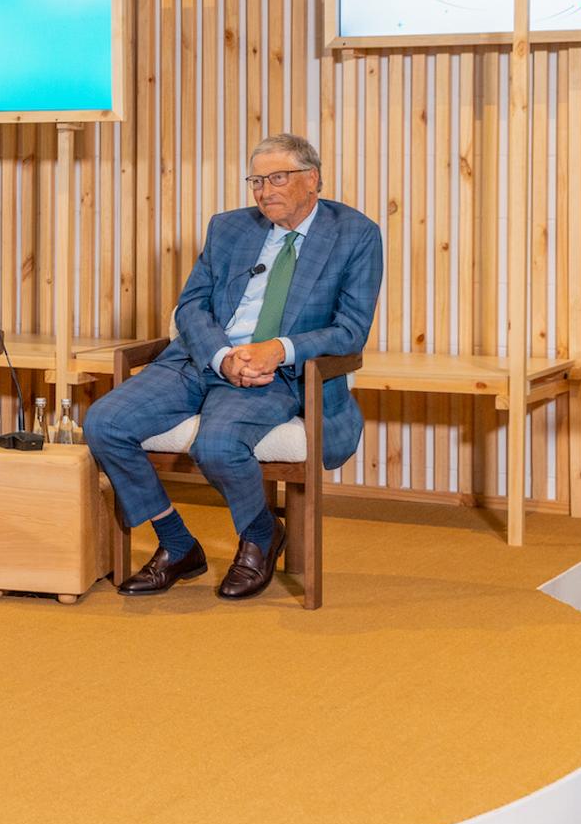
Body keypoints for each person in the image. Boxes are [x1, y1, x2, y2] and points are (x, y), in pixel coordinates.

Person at [87, 133, 383, 600]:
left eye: (278, 178)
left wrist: (278, 349)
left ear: (313, 179)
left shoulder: (355, 234)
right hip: (204, 357)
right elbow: (192, 306)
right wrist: (222, 355)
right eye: (256, 181)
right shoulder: (229, 228)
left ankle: (261, 535)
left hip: (278, 371)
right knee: (104, 422)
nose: (265, 191)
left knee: (219, 445)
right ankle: (177, 543)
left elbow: (350, 331)